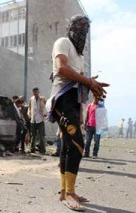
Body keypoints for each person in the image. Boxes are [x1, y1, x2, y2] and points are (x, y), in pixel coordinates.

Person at [47, 15, 109, 211]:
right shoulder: (63, 42)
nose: (83, 30)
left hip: (73, 102)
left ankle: (66, 192)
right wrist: (88, 81)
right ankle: (68, 193)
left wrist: (83, 105)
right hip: (61, 99)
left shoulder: (80, 56)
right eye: (79, 25)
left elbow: (80, 85)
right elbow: (62, 69)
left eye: (86, 26)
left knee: (68, 145)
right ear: (71, 28)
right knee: (77, 144)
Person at [28, 87, 46, 154]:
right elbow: (29, 108)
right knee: (33, 135)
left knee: (41, 135)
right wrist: (29, 115)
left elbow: (46, 106)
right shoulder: (31, 99)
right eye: (35, 92)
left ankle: (42, 150)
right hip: (33, 119)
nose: (36, 93)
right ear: (33, 93)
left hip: (40, 119)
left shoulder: (42, 98)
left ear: (39, 92)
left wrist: (45, 114)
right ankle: (32, 149)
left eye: (37, 92)